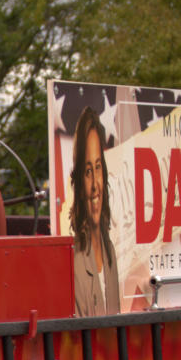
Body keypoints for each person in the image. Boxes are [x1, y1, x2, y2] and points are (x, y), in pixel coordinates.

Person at [70, 107, 120, 317]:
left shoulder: (110, 252)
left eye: (98, 168)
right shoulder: (74, 261)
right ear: (79, 183)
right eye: (88, 171)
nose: (94, 186)